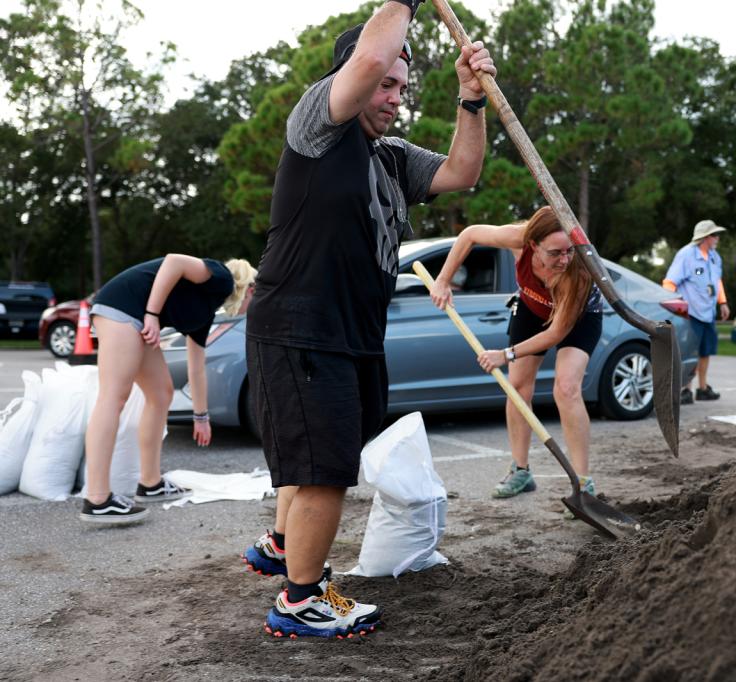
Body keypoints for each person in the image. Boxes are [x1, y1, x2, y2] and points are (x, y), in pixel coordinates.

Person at [241, 0, 496, 640]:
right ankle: (299, 601)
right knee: (326, 470)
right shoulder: (318, 126)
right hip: (302, 325)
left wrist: (471, 100)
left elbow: (462, 173)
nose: (394, 97)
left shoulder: (389, 157)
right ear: (351, 77)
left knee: (323, 458)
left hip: (353, 334)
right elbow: (375, 52)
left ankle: (283, 546)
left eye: (403, 89)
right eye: (385, 85)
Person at [429, 206, 602, 510]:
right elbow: (469, 235)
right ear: (533, 245)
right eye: (555, 252)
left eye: (569, 250)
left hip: (578, 318)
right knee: (518, 387)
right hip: (531, 309)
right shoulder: (517, 238)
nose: (564, 259)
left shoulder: (578, 271)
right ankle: (520, 471)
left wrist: (506, 354)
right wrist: (443, 279)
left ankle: (583, 484)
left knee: (567, 389)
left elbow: (556, 333)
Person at [79, 255, 256, 525]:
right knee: (113, 397)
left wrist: (201, 417)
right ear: (251, 288)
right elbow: (174, 262)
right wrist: (151, 314)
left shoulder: (206, 311)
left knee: (161, 393)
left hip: (138, 317)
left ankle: (150, 483)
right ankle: (98, 499)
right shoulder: (221, 277)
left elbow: (196, 366)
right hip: (124, 308)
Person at [662, 220, 731, 404]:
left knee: (705, 351)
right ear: (704, 237)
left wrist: (722, 302)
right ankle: (685, 390)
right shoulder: (686, 255)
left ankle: (702, 388)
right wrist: (675, 308)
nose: (717, 238)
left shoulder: (715, 257)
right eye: (714, 235)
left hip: (708, 313)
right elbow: (669, 282)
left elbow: (717, 281)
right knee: (690, 352)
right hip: (690, 313)